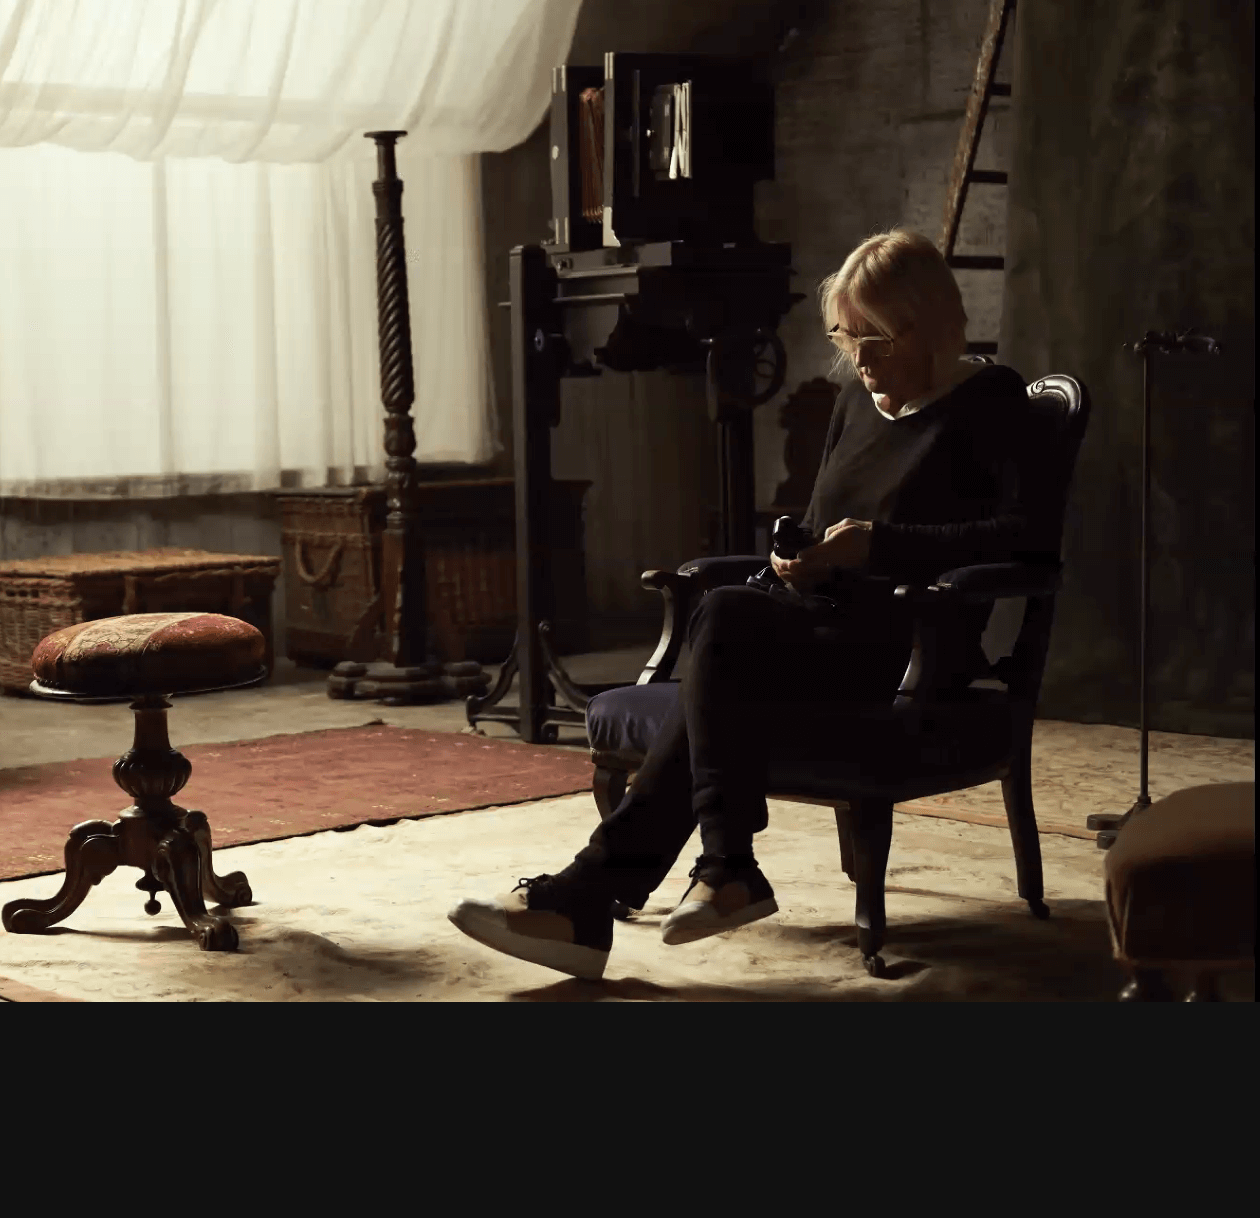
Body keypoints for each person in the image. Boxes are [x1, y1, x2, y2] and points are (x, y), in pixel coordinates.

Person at [448, 227, 1053, 977]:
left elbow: (1024, 537)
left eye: (877, 340)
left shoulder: (991, 401)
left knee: (724, 620)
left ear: (929, 328)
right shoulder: (855, 403)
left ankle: (674, 878)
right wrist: (799, 558)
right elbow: (828, 516)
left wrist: (879, 546)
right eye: (845, 337)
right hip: (820, 626)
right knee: (728, 632)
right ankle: (647, 887)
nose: (858, 359)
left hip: (912, 648)